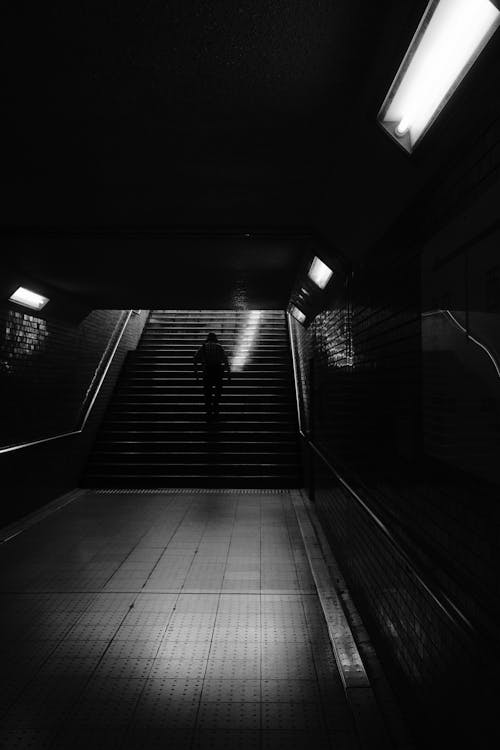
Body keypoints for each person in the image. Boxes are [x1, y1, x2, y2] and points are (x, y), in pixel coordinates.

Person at [194, 332, 231, 419]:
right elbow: (225, 360)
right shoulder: (219, 347)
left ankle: (209, 410)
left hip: (207, 371)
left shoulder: (203, 347)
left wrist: (197, 373)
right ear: (215, 338)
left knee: (208, 391)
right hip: (218, 371)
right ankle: (216, 407)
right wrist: (228, 373)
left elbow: (195, 359)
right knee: (218, 390)